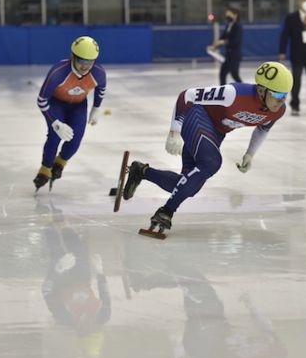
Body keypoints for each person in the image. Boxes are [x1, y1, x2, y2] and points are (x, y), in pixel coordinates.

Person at [122, 61, 293, 234]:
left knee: (189, 186)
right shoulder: (233, 94)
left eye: (285, 95)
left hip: (215, 133)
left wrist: (250, 154)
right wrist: (174, 130)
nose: (282, 101)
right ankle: (166, 211)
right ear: (262, 90)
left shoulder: (278, 110)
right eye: (278, 95)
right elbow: (186, 96)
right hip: (196, 115)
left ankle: (141, 172)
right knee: (212, 162)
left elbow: (263, 129)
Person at [34, 35, 107, 191]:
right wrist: (55, 122)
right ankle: (45, 169)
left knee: (76, 139)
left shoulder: (98, 72)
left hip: (78, 106)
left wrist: (96, 108)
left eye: (90, 62)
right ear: (72, 56)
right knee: (54, 137)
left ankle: (60, 163)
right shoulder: (58, 73)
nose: (85, 66)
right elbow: (41, 100)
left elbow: (101, 88)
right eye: (82, 61)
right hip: (56, 104)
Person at [209, 7, 243, 85]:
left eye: (229, 14)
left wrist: (222, 42)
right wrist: (214, 46)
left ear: (235, 15)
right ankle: (223, 91)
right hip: (228, 55)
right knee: (223, 74)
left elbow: (235, 41)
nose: (227, 16)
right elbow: (223, 37)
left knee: (234, 75)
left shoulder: (238, 26)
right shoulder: (229, 25)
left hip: (234, 56)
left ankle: (245, 91)